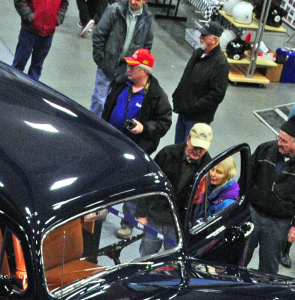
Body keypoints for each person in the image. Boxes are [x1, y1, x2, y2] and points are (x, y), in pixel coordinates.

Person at [244, 115, 295, 276]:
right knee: (239, 257)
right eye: (279, 138)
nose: (279, 143)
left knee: (269, 268)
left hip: (278, 224)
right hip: (253, 213)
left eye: (284, 141)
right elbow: (246, 177)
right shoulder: (265, 150)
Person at [135, 122, 212, 254]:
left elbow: (203, 200)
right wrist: (141, 213)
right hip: (155, 218)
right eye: (195, 145)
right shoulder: (167, 154)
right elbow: (148, 184)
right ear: (188, 139)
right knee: (145, 259)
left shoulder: (207, 167)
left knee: (172, 265)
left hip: (179, 226)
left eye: (202, 148)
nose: (198, 151)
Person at [102, 47, 171, 158]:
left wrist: (144, 128)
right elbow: (108, 106)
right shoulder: (121, 83)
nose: (128, 69)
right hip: (109, 140)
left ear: (144, 71)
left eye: (132, 67)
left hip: (132, 150)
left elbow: (164, 124)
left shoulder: (157, 96)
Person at [89, 0, 153, 115]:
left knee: (117, 103)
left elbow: (147, 46)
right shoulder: (114, 10)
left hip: (128, 70)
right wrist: (100, 59)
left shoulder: (147, 19)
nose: (133, 2)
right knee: (99, 100)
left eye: (137, 0)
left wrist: (137, 69)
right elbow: (99, 34)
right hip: (107, 64)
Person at [170, 20, 228, 144]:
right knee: (178, 150)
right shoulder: (199, 53)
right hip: (184, 113)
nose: (200, 37)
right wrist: (178, 95)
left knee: (189, 152)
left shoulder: (220, 63)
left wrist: (194, 106)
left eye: (204, 35)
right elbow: (186, 77)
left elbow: (217, 95)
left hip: (198, 119)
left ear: (215, 40)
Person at [12, 0, 68, 81]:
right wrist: (29, 16)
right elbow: (19, 1)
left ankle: (32, 89)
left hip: (48, 33)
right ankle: (13, 86)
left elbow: (64, 3)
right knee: (18, 65)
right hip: (29, 31)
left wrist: (58, 18)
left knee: (36, 68)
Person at [192, 156, 239, 222]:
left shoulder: (227, 204)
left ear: (228, 175)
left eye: (218, 172)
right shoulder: (211, 186)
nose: (213, 174)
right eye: (212, 169)